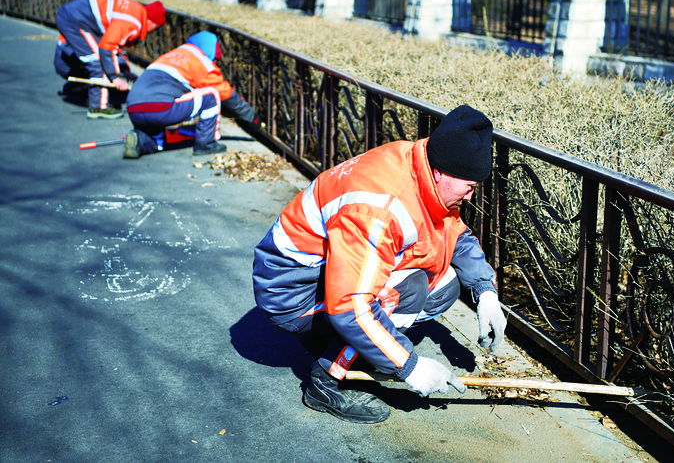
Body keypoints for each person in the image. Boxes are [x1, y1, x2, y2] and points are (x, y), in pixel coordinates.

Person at [252, 104, 507, 424]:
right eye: (469, 186)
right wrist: (410, 366)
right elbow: (349, 306)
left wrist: (485, 293)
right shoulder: (379, 208)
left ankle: (344, 344)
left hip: (317, 274)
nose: (471, 196)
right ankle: (325, 382)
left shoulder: (421, 162)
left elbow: (453, 232)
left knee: (445, 285)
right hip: (290, 292)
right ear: (443, 173)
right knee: (408, 289)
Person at [123, 31, 262, 158]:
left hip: (133, 107)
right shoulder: (202, 62)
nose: (215, 63)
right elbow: (226, 95)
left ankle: (140, 141)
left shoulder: (170, 55)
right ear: (208, 51)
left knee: (158, 139)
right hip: (160, 109)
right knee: (211, 96)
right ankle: (206, 144)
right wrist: (253, 119)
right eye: (215, 58)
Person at [54, 0, 166, 119]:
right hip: (74, 22)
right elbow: (107, 47)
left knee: (98, 60)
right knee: (96, 61)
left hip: (72, 19)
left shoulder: (136, 11)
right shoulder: (133, 22)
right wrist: (114, 77)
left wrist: (124, 70)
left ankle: (78, 86)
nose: (154, 32)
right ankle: (98, 107)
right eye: (157, 27)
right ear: (152, 21)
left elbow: (115, 48)